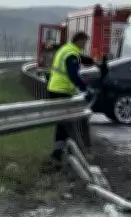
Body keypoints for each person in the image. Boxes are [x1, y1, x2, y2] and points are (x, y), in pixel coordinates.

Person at [45, 32, 105, 163]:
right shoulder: (71, 53)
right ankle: (70, 154)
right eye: (84, 42)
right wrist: (85, 88)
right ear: (79, 40)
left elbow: (82, 58)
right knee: (67, 124)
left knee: (63, 124)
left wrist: (95, 62)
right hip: (62, 90)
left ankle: (58, 153)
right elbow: (73, 75)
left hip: (56, 88)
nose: (85, 45)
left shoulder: (68, 49)